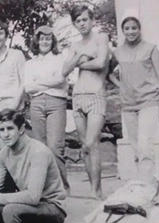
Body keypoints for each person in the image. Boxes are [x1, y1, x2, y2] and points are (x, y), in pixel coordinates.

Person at [108, 16, 159, 183]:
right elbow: (109, 73)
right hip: (128, 105)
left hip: (149, 102)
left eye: (134, 28)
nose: (130, 31)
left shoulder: (151, 49)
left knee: (145, 146)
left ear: (139, 29)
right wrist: (122, 86)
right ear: (122, 31)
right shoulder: (118, 52)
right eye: (126, 28)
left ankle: (148, 185)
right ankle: (144, 183)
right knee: (136, 149)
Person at [62, 5, 110, 200]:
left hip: (96, 95)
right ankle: (94, 190)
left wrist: (79, 62)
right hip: (78, 96)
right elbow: (65, 70)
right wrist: (83, 56)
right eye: (78, 21)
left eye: (84, 19)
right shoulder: (75, 46)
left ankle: (96, 191)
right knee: (84, 146)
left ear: (91, 20)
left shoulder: (101, 38)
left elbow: (101, 63)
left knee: (92, 143)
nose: (81, 23)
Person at [25, 25, 70, 193]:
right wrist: (47, 82)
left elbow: (60, 79)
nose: (45, 42)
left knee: (55, 147)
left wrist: (39, 82)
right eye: (41, 38)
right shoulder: (30, 63)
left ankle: (63, 188)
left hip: (56, 102)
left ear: (53, 41)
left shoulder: (60, 59)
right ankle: (44, 189)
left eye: (48, 38)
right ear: (36, 41)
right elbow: (28, 87)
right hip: (36, 104)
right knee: (40, 148)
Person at [0, 20, 26, 114]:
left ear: (6, 36)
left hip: (16, 108)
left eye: (0, 33)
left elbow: (23, 83)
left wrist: (13, 107)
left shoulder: (17, 55)